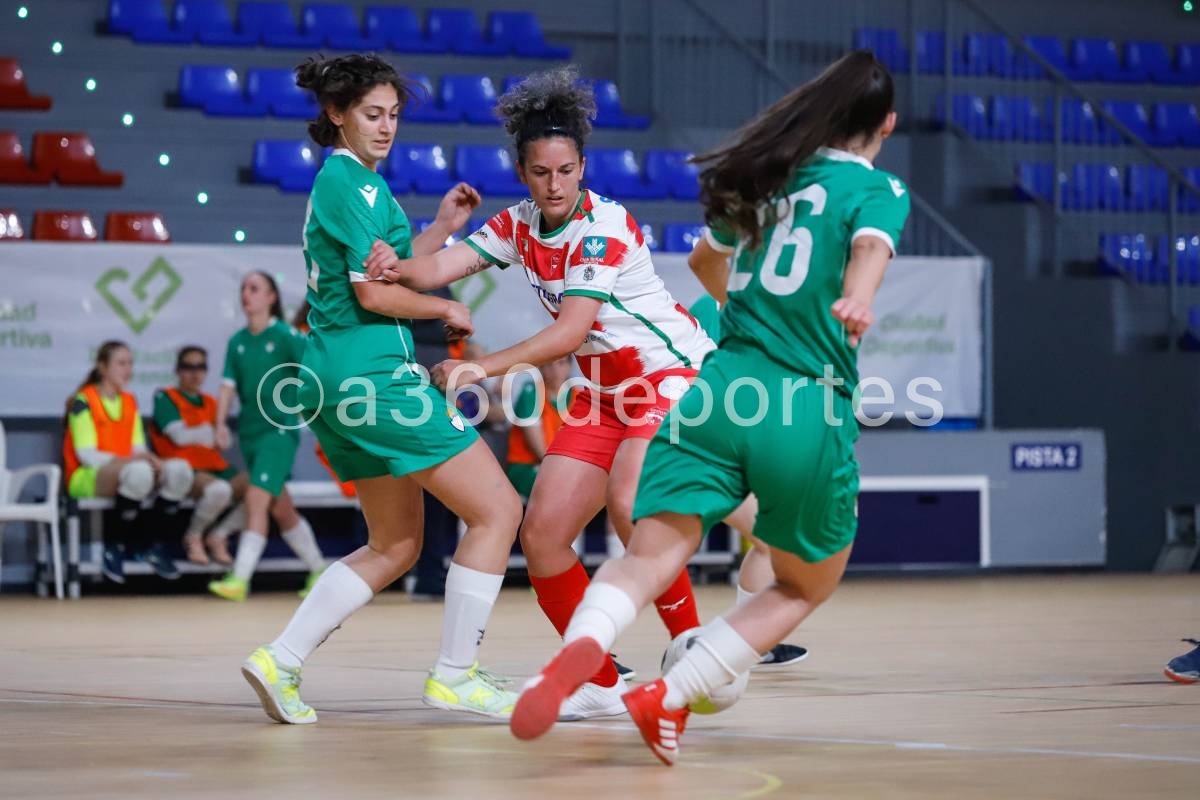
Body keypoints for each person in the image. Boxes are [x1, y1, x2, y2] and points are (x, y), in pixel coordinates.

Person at [509, 50, 911, 764]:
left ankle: (583, 650)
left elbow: (702, 263)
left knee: (648, 552)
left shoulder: (767, 177)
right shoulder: (877, 188)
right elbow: (871, 247)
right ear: (885, 124)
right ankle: (668, 694)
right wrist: (858, 295)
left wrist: (748, 317)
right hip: (802, 401)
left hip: (716, 388)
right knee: (798, 583)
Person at [362, 66, 715, 720]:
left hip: (669, 376)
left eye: (566, 171)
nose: (555, 185)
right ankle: (602, 679)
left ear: (582, 167)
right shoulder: (518, 224)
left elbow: (571, 330)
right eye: (541, 173)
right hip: (604, 392)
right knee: (544, 534)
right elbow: (442, 267)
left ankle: (691, 647)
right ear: (523, 173)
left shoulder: (603, 225)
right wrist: (401, 263)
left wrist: (481, 368)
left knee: (630, 503)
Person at [238, 53, 524, 725]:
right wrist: (444, 311)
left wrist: (443, 229)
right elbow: (376, 291)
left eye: (393, 114)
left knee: (395, 544)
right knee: (499, 510)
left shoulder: (355, 186)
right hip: (375, 376)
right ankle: (457, 674)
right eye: (372, 114)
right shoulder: (353, 185)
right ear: (336, 114)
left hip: (334, 380)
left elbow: (390, 268)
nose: (386, 126)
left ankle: (280, 660)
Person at [688, 294, 807, 670]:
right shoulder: (714, 310)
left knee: (768, 540)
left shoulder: (759, 313)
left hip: (712, 448)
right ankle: (740, 640)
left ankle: (749, 641)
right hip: (691, 448)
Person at [206, 272, 328, 601]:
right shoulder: (238, 342)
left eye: (254, 288)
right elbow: (228, 387)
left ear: (271, 297)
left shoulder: (285, 335)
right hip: (250, 434)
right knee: (281, 508)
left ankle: (239, 579)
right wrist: (219, 424)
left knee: (256, 500)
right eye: (243, 288)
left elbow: (316, 367)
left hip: (279, 430)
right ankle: (320, 570)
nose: (246, 294)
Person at [63, 340, 192, 582]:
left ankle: (150, 544)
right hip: (86, 476)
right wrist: (132, 461)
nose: (128, 370)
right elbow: (87, 455)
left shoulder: (129, 401)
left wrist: (153, 460)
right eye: (121, 363)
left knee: (179, 471)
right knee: (140, 472)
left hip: (126, 469)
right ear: (102, 367)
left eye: (130, 363)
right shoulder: (84, 401)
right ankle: (114, 546)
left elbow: (138, 447)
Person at [149, 345, 246, 566]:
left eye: (201, 367)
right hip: (186, 468)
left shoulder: (211, 402)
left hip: (216, 465)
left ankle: (219, 535)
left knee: (263, 489)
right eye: (188, 367)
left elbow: (225, 440)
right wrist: (209, 432)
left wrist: (203, 433)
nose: (195, 373)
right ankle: (194, 536)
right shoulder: (166, 397)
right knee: (219, 490)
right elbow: (180, 438)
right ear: (177, 370)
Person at [505, 355, 574, 502]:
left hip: (564, 467)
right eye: (549, 364)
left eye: (561, 363)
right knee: (562, 487)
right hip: (528, 466)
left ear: (569, 366)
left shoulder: (579, 396)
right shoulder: (531, 393)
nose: (555, 370)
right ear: (541, 368)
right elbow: (540, 451)